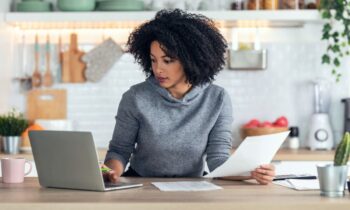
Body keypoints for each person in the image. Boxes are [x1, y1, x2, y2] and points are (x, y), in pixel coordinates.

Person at [104, 9, 275, 185]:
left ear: (190, 59)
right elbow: (119, 151)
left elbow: (218, 159)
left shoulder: (217, 99)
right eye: (153, 60)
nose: (158, 69)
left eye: (167, 60)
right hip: (141, 185)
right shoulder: (135, 97)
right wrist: (109, 172)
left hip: (194, 186)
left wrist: (252, 172)